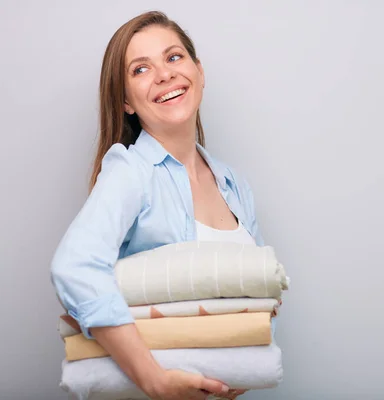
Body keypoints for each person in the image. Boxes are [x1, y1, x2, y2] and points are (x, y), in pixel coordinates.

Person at [50, 10, 264, 400]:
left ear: (199, 72)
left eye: (174, 57)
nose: (164, 74)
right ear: (126, 102)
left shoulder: (235, 185)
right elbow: (74, 266)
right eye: (140, 69)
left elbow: (262, 305)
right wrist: (154, 380)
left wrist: (243, 370)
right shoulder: (131, 173)